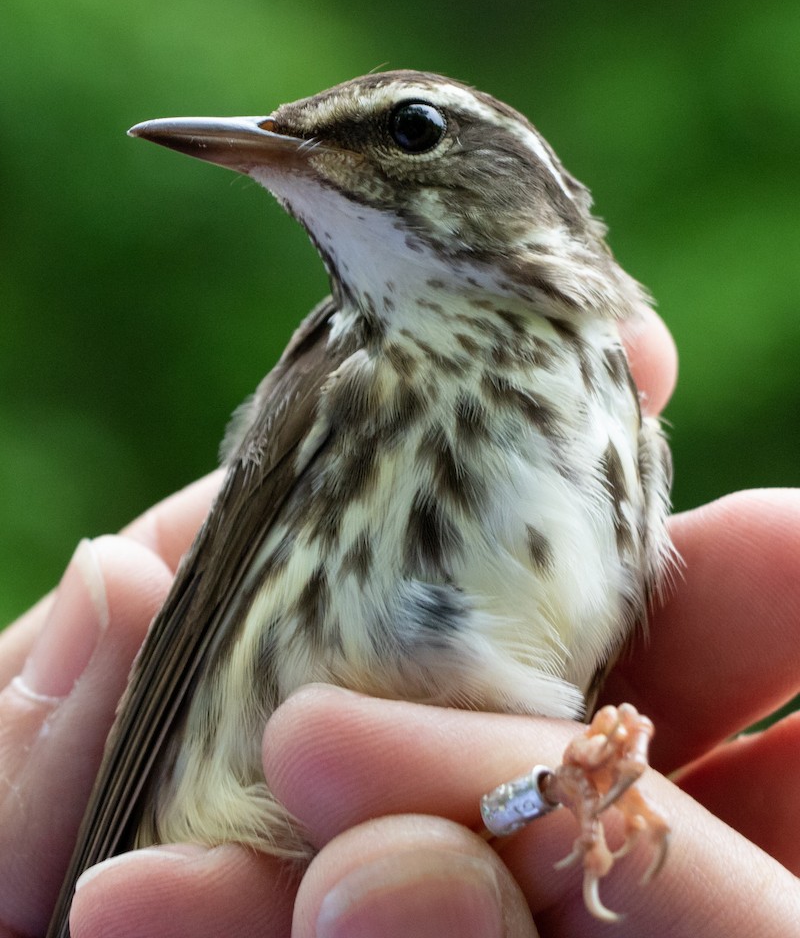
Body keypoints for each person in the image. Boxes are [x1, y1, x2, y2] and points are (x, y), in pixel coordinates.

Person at [1, 311, 798, 937]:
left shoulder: (620, 426)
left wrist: (550, 789)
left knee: (451, 843)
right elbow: (183, 647)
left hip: (399, 839)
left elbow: (493, 765)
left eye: (409, 133)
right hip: (202, 831)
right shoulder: (349, 363)